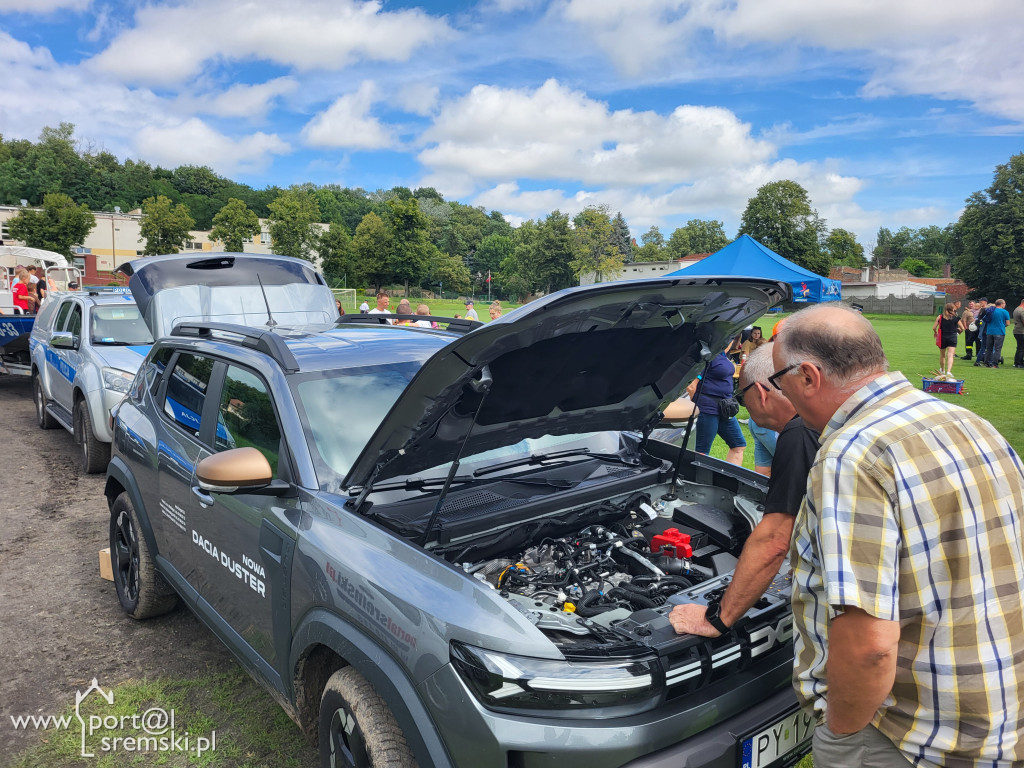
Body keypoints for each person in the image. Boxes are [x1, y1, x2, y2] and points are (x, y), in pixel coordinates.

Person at [770, 304, 1024, 767]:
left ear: (808, 376)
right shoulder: (968, 421)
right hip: (998, 715)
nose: (777, 390)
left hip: (911, 734)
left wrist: (843, 736)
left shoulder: (850, 456)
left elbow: (869, 645)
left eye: (778, 379)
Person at [669, 342, 818, 636]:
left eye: (741, 395)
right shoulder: (820, 421)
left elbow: (776, 540)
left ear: (760, 393)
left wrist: (719, 617)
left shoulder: (798, 434)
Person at [689, 342, 745, 465]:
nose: (731, 340)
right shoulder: (706, 356)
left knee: (738, 445)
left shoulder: (722, 354)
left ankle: (729, 480)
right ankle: (699, 481)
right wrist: (695, 406)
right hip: (707, 408)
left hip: (726, 408)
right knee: (702, 452)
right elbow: (692, 386)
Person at [930, 302, 964, 376]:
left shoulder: (940, 317)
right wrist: (958, 330)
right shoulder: (956, 318)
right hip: (952, 337)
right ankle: (948, 371)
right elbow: (962, 328)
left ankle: (942, 370)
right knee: (950, 355)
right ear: (953, 309)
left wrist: (935, 332)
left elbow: (934, 327)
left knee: (942, 355)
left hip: (942, 337)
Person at [979, 298, 1010, 367]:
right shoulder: (1005, 312)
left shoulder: (991, 311)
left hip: (989, 331)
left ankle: (986, 362)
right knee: (997, 349)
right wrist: (1002, 325)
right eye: (1004, 303)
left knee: (989, 348)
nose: (1005, 305)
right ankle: (994, 364)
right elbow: (1008, 323)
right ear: (1001, 304)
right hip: (999, 332)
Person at [972, 297, 990, 365]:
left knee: (985, 346)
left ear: (985, 302)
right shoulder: (982, 310)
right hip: (983, 330)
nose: (980, 303)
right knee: (985, 346)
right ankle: (986, 360)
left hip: (985, 329)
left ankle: (982, 360)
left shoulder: (987, 310)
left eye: (981, 302)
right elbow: (979, 319)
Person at [1013, 298, 1024, 369]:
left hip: (1017, 330)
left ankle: (1017, 362)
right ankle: (1019, 363)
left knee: (1020, 347)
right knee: (1021, 348)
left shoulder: (1016, 309)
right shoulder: (1022, 310)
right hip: (1022, 331)